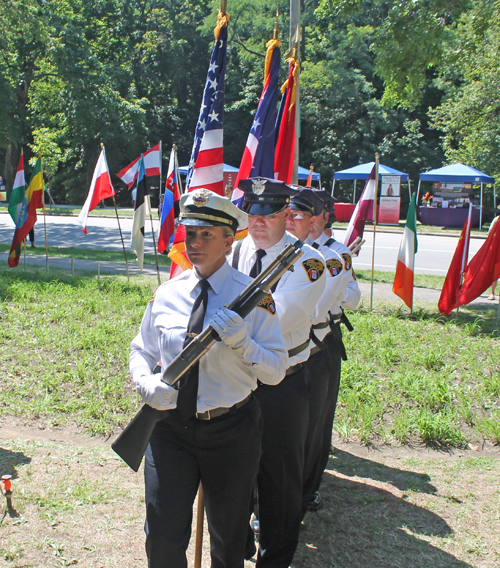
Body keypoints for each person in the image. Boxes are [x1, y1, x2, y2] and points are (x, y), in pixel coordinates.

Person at [129, 188, 288, 568]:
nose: (195, 243)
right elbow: (142, 350)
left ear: (230, 240)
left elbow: (277, 371)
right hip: (170, 432)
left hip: (230, 430)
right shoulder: (168, 294)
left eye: (206, 235)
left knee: (229, 539)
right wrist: (144, 382)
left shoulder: (255, 298)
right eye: (190, 234)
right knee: (163, 537)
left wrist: (244, 344)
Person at [231, 177, 326, 568]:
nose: (258, 223)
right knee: (234, 472)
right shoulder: (233, 251)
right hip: (237, 379)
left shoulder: (309, 263)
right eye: (252, 214)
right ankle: (236, 547)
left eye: (268, 214)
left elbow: (279, 321)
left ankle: (275, 559)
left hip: (282, 383)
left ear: (286, 215)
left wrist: (226, 326)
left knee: (279, 479)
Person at [284, 187, 353, 517]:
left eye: (303, 215)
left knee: (315, 427)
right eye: (290, 214)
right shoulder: (272, 251)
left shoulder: (335, 257)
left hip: (316, 345)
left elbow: (321, 310)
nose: (297, 221)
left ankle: (305, 491)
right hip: (281, 349)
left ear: (322, 218)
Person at [306, 190, 361, 510]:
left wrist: (331, 290)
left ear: (327, 216)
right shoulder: (288, 247)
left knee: (319, 419)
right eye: (300, 212)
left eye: (313, 212)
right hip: (289, 340)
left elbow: (353, 299)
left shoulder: (339, 254)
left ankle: (310, 485)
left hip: (324, 338)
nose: (307, 219)